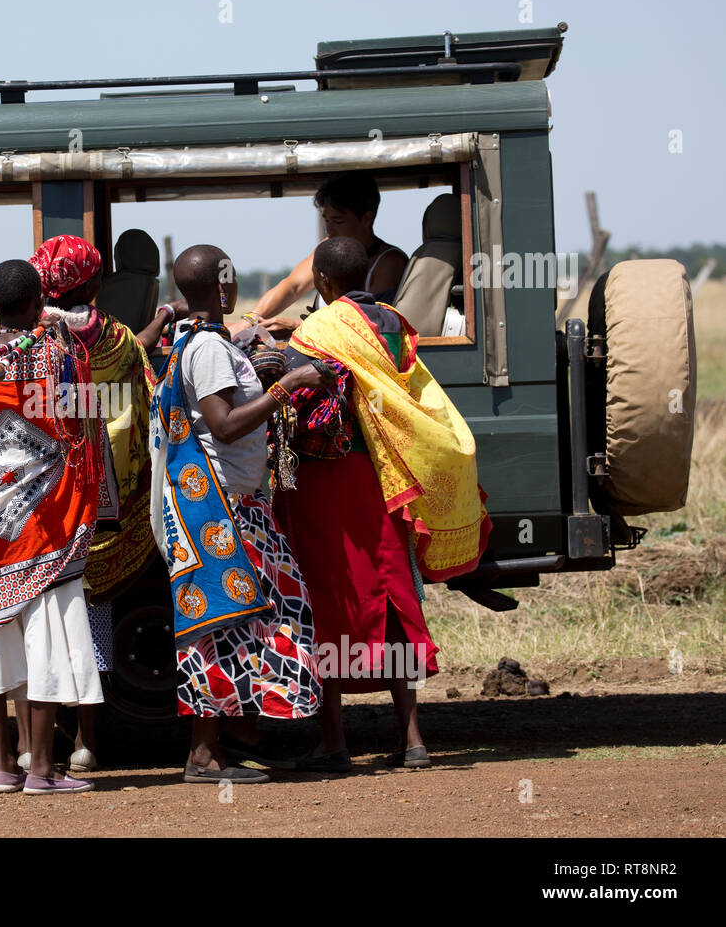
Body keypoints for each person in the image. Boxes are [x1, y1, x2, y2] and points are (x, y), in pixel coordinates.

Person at [275, 237, 492, 772]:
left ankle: (333, 742)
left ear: (322, 284)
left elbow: (299, 397)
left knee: (326, 602)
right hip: (385, 478)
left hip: (325, 483)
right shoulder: (394, 323)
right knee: (393, 594)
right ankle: (413, 738)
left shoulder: (316, 332)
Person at [149, 243, 328, 783]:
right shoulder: (204, 349)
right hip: (219, 510)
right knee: (223, 623)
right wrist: (287, 386)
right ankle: (205, 753)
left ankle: (236, 736)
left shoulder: (202, 342)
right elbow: (225, 425)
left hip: (235, 505)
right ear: (224, 286)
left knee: (248, 620)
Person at [0, 259, 105, 795]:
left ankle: (4, 768)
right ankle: (43, 771)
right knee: (48, 638)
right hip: (44, 520)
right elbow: (84, 416)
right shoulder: (54, 355)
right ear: (38, 303)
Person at [20, 234, 185, 772]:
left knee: (41, 621)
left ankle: (30, 746)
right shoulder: (115, 338)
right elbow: (143, 400)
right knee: (96, 614)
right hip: (111, 504)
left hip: (49, 499)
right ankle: (86, 740)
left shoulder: (27, 340)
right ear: (93, 282)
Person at [230, 171, 408, 338]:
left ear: (366, 219)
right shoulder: (327, 247)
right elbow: (292, 287)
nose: (329, 229)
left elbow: (368, 326)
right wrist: (249, 320)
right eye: (326, 220)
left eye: (338, 221)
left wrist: (299, 327)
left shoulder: (390, 262)